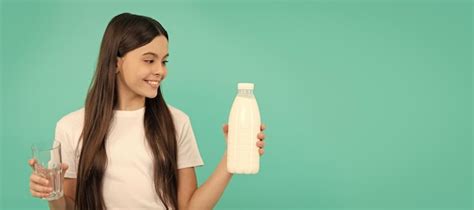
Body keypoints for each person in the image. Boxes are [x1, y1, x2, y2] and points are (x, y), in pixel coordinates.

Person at [27, 12, 267, 210]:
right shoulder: (71, 126)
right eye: (149, 60)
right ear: (115, 62)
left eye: (164, 61)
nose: (161, 71)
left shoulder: (176, 122)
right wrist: (51, 193)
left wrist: (231, 157)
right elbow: (69, 207)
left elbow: (190, 207)